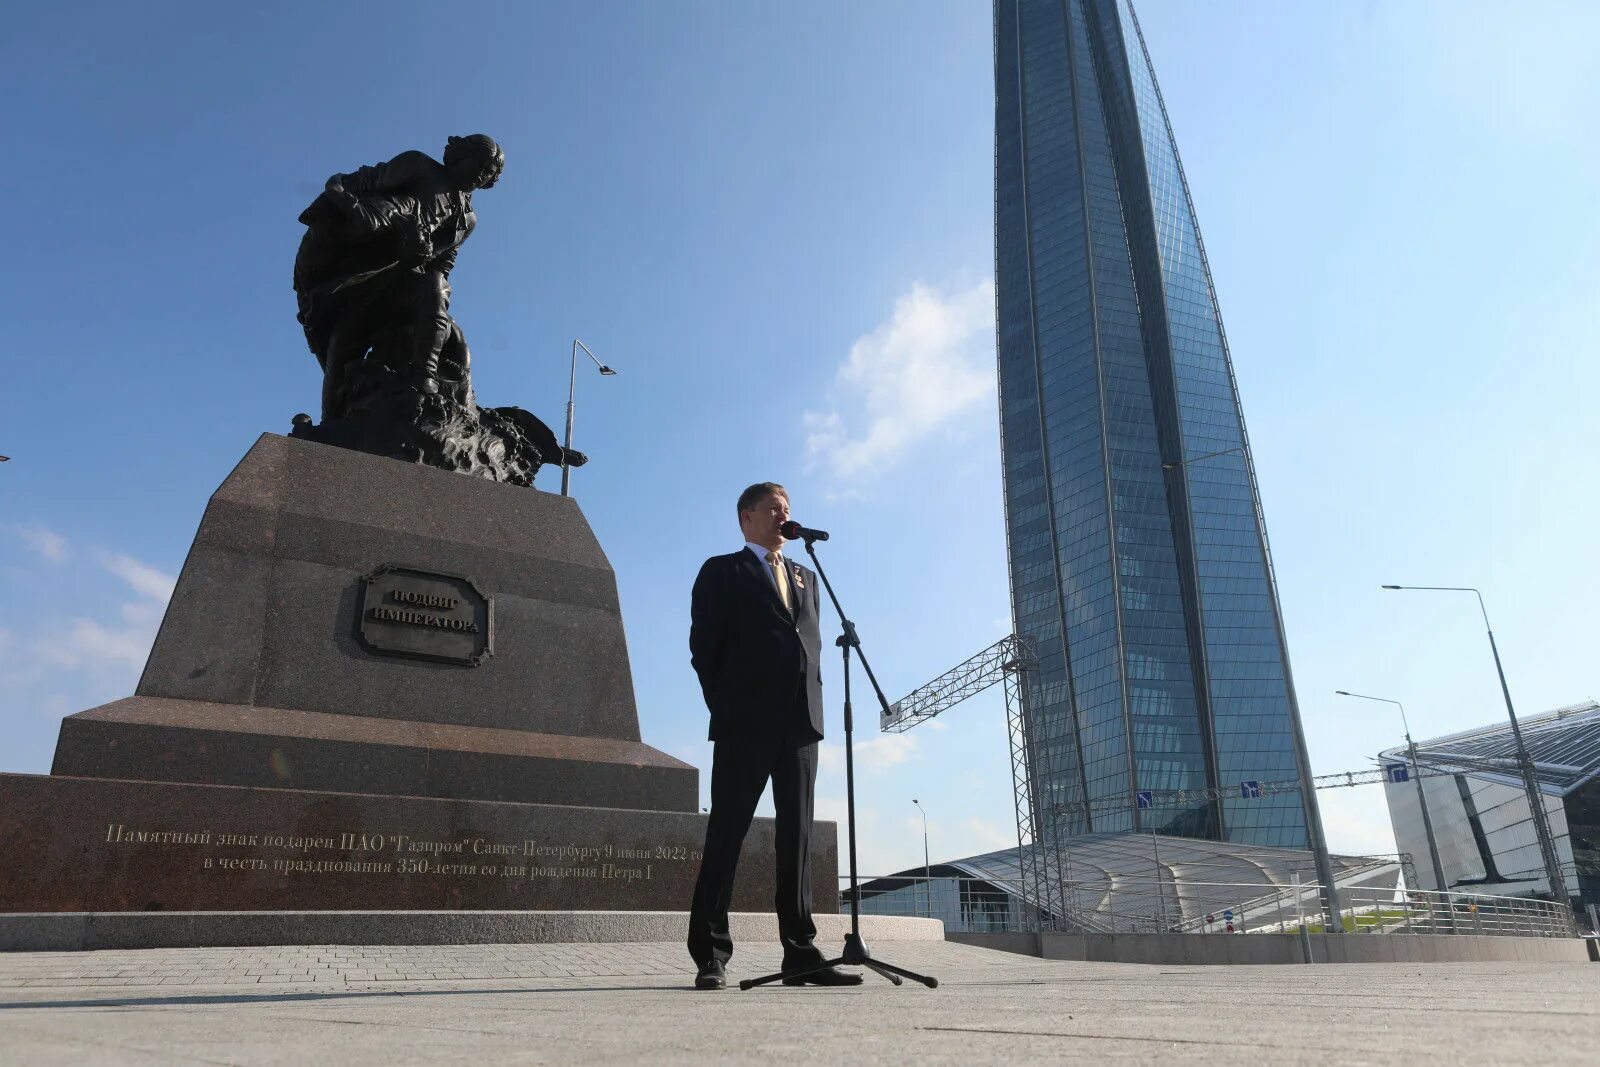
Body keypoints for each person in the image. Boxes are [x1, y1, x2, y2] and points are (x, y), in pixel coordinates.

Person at [686, 482, 861, 990]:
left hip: (800, 725)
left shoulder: (806, 575)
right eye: (773, 509)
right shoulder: (723, 570)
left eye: (787, 509)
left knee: (798, 838)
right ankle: (711, 954)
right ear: (746, 518)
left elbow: (810, 645)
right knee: (727, 833)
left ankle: (800, 953)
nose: (783, 515)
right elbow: (704, 647)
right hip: (745, 722)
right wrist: (726, 706)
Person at [292, 134, 505, 420]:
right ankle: (328, 428)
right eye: (477, 166)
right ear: (461, 156)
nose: (479, 176)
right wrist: (369, 218)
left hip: (404, 279)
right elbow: (358, 184)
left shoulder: (466, 220)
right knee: (342, 349)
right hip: (357, 272)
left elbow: (443, 264)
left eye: (486, 174)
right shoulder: (418, 166)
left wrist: (419, 257)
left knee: (437, 289)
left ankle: (424, 377)